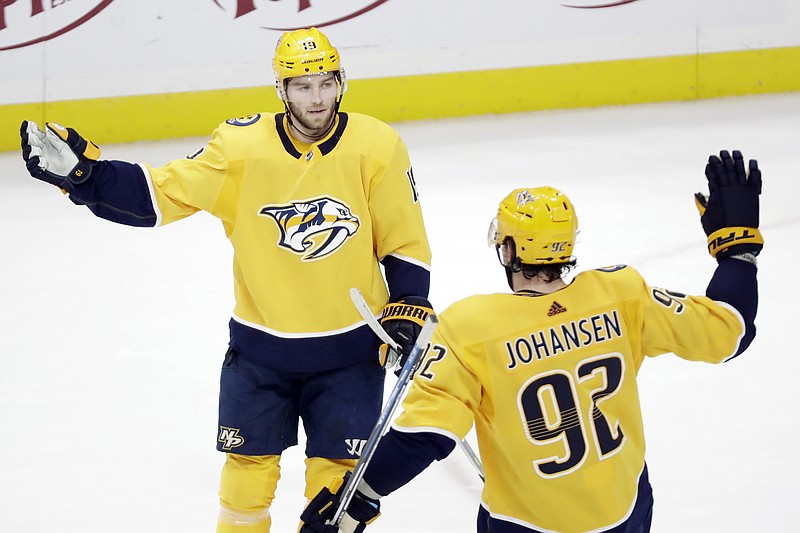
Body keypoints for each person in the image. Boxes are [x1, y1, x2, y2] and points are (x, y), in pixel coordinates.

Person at [19, 27, 434, 533]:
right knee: (244, 484)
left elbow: (403, 238)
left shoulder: (378, 145)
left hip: (350, 353)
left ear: (341, 81)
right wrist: (86, 176)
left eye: (326, 83)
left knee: (335, 496)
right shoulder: (240, 148)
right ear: (281, 90)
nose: (317, 98)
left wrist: (410, 302)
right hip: (262, 353)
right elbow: (162, 195)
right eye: (303, 87)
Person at [299, 150, 763, 533]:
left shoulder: (471, 327)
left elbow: (424, 437)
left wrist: (354, 498)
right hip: (625, 513)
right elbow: (730, 330)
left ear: (508, 250)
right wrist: (738, 253)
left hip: (527, 524)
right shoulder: (621, 293)